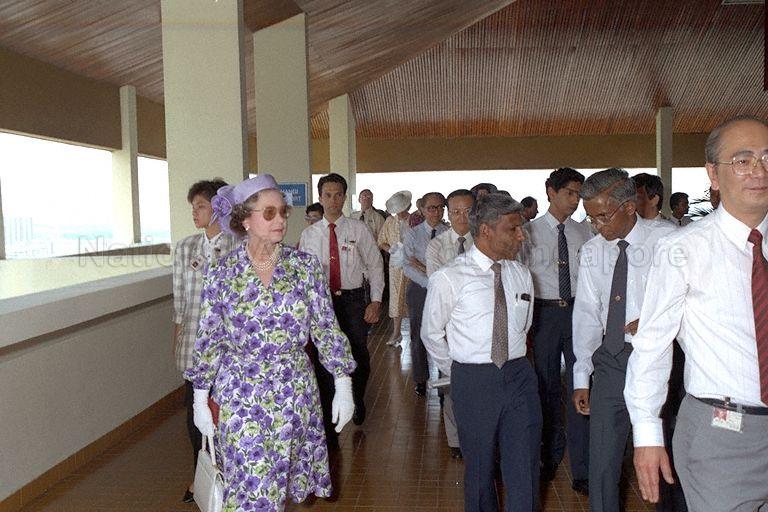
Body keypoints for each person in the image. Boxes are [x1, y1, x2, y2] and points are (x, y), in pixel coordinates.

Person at [185, 174, 357, 512]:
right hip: (240, 394)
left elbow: (325, 327)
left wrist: (343, 382)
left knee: (279, 486)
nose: (279, 219)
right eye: (268, 213)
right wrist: (199, 399)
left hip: (293, 392)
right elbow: (210, 337)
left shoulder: (305, 268)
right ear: (244, 220)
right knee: (251, 489)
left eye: (282, 212)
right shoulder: (222, 273)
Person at [626, 116, 768, 511]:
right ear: (714, 174)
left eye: (767, 157)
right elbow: (652, 344)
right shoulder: (683, 249)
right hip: (722, 437)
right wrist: (648, 433)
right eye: (742, 160)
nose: (759, 170)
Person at [422, 193, 541, 512]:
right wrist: (461, 368)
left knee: (525, 466)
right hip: (474, 380)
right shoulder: (449, 277)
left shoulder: (521, 274)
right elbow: (431, 333)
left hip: (519, 377)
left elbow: (524, 327)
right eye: (513, 228)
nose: (521, 235)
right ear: (486, 230)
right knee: (479, 470)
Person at [572, 169, 676, 511]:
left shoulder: (668, 241)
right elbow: (587, 313)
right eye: (590, 218)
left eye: (602, 216)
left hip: (661, 361)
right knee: (601, 464)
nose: (597, 226)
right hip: (611, 362)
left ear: (630, 207)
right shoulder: (591, 252)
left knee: (665, 459)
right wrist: (581, 375)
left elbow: (692, 299)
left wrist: (653, 319)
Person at [522, 167, 592, 493]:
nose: (575, 201)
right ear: (550, 191)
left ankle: (582, 467)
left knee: (581, 387)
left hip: (579, 314)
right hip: (544, 315)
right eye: (569, 194)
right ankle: (547, 459)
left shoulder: (585, 233)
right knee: (546, 388)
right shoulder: (527, 233)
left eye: (579, 194)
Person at [172, 178, 239, 504]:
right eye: (193, 207)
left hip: (230, 348)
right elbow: (180, 300)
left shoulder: (240, 246)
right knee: (194, 416)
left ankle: (232, 475)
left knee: (227, 412)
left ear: (219, 207)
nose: (195, 213)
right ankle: (199, 476)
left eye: (201, 206)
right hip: (195, 345)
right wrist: (178, 339)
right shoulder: (185, 248)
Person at [300, 173, 385, 426]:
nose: (333, 200)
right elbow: (303, 275)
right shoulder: (310, 235)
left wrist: (376, 301)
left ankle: (357, 398)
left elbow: (375, 265)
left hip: (353, 300)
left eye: (338, 195)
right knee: (323, 354)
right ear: (320, 197)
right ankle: (328, 405)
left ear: (345, 197)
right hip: (321, 302)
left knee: (357, 352)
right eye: (328, 195)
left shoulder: (358, 229)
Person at [425, 188, 474, 460]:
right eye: (455, 212)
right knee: (452, 380)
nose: (461, 217)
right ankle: (455, 440)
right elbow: (436, 282)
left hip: (478, 322)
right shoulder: (438, 245)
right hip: (448, 321)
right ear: (448, 213)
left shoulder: (484, 240)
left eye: (467, 211)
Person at [404, 192, 448, 396]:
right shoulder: (412, 233)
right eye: (432, 208)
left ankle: (445, 376)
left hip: (447, 290)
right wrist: (430, 280)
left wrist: (422, 265)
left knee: (445, 334)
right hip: (420, 289)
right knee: (419, 333)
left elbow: (452, 264)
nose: (436, 212)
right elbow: (406, 264)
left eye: (440, 207)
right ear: (422, 210)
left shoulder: (449, 233)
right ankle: (421, 378)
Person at [378, 190, 412, 346]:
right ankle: (396, 332)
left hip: (414, 262)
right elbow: (381, 241)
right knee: (396, 295)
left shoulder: (414, 221)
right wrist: (390, 249)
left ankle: (415, 333)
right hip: (396, 263)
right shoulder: (390, 222)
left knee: (412, 295)